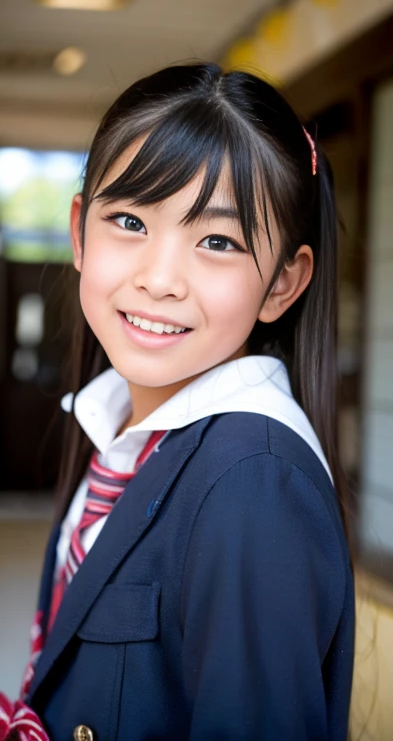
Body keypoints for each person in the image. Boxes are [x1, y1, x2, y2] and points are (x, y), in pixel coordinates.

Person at [6, 63, 355, 740]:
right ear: (80, 233)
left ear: (284, 284)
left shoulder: (253, 481)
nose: (160, 279)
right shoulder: (122, 432)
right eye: (130, 221)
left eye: (217, 241)